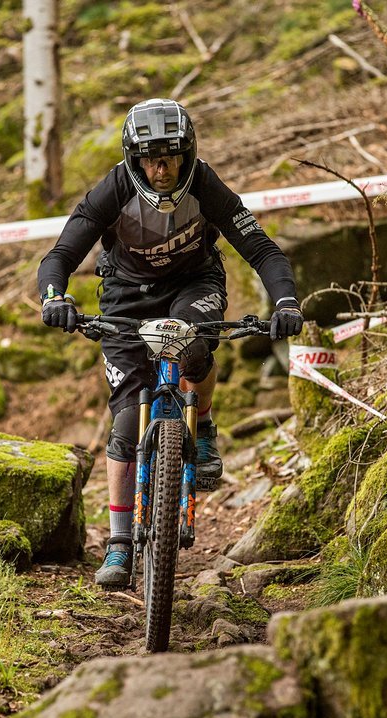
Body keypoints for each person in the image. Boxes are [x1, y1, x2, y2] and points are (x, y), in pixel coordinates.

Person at [37, 98, 303, 588]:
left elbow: (261, 249)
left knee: (192, 345)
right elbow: (59, 255)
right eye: (149, 159)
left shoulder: (204, 184)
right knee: (123, 423)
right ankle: (118, 543)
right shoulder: (113, 189)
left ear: (187, 154)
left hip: (192, 287)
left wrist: (286, 302)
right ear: (134, 159)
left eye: (170, 157)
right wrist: (55, 297)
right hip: (125, 298)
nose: (160, 169)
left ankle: (200, 428)